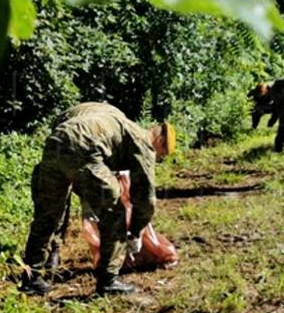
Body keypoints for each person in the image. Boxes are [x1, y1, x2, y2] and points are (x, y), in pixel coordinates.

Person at [19, 102, 175, 296]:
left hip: (55, 142)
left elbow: (66, 120)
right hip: (85, 149)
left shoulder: (111, 116)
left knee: (48, 214)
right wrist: (135, 231)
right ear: (160, 141)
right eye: (161, 155)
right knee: (114, 211)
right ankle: (108, 281)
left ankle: (31, 277)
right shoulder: (143, 140)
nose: (157, 157)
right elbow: (145, 197)